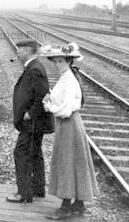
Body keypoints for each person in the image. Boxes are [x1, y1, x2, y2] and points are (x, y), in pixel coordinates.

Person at [40, 43, 98, 219]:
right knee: (74, 162)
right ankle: (78, 205)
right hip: (68, 125)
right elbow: (63, 99)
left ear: (68, 61)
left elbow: (65, 109)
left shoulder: (69, 79)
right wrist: (52, 95)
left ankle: (66, 207)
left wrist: (48, 106)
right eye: (55, 61)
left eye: (60, 61)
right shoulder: (66, 77)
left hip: (69, 123)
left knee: (67, 162)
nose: (57, 64)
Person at [6, 39, 54, 204]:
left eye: (19, 50)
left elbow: (42, 95)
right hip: (35, 123)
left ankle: (24, 193)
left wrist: (30, 113)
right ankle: (38, 189)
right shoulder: (34, 67)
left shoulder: (34, 69)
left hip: (32, 123)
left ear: (27, 50)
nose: (17, 52)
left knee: (22, 153)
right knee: (35, 153)